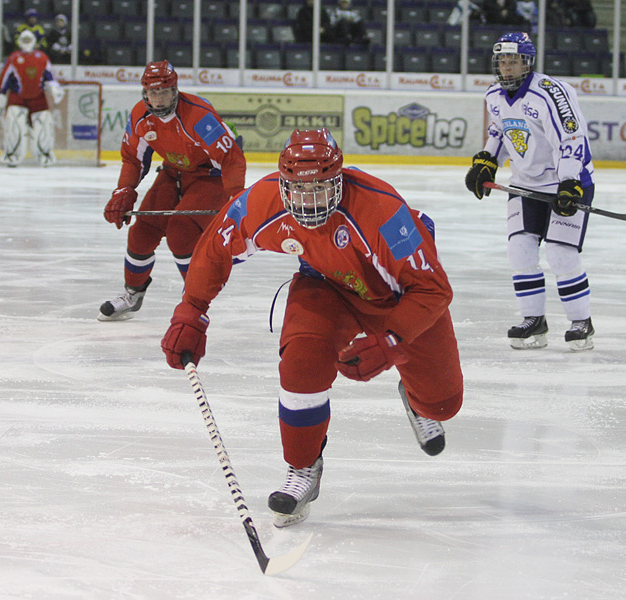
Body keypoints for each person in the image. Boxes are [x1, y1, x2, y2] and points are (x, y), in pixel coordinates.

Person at [160, 129, 464, 527]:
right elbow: (216, 247)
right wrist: (192, 310)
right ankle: (303, 468)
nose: (308, 201)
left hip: (399, 297)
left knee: (443, 405)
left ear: (339, 180)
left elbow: (433, 289)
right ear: (283, 185)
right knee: (302, 361)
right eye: (298, 190)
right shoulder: (262, 201)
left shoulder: (382, 211)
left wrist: (391, 340)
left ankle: (416, 395)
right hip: (326, 285)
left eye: (321, 188)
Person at [464, 32, 596, 351]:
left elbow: (571, 140)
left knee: (560, 254)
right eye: (503, 62)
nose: (507, 68)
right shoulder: (494, 95)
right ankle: (533, 319)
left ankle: (582, 322)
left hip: (567, 183)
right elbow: (500, 131)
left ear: (528, 63)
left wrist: (569, 183)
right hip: (524, 184)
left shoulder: (551, 94)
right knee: (520, 251)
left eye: (514, 61)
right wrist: (486, 161)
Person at [99, 60, 246, 322]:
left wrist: (236, 198)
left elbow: (232, 159)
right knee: (143, 230)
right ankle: (132, 294)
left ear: (175, 90)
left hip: (209, 177)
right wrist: (124, 190)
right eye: (153, 92)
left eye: (164, 91)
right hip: (172, 172)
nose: (159, 98)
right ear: (145, 94)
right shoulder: (139, 117)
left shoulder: (199, 116)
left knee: (181, 232)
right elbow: (133, 159)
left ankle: (195, 299)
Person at [0, 29, 65, 167]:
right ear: (19, 42)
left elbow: (50, 76)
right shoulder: (13, 58)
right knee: (14, 128)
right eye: (24, 40)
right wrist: (1, 93)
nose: (26, 43)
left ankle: (44, 156)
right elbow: (4, 77)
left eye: (28, 40)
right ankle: (12, 156)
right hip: (17, 97)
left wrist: (55, 88)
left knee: (43, 128)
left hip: (38, 98)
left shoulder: (42, 58)